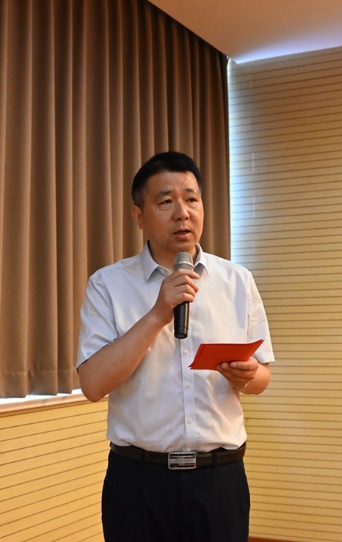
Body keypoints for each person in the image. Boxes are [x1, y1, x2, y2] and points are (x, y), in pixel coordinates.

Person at [76, 151, 274, 542]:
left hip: (219, 480)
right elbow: (93, 384)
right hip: (138, 482)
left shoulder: (237, 281)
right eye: (166, 201)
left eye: (192, 199)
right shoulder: (107, 285)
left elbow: (262, 377)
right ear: (138, 216)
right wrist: (156, 315)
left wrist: (249, 374)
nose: (182, 213)